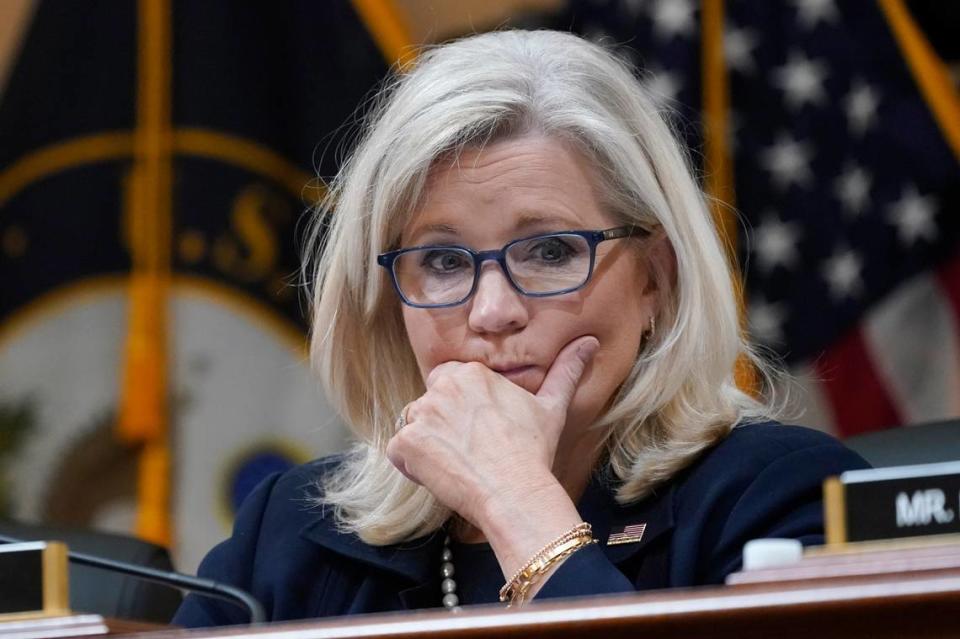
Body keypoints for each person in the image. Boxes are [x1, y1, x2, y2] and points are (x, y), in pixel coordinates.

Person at [173, 30, 868, 626]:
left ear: (656, 276)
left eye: (549, 251)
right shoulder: (292, 531)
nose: (492, 311)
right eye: (443, 260)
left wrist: (516, 501)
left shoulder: (787, 499)